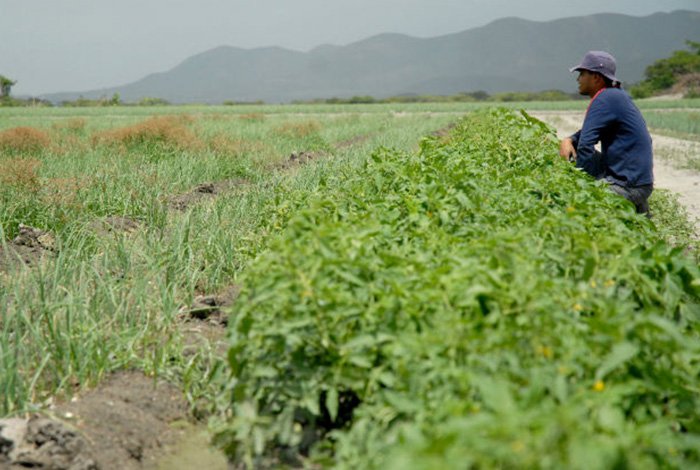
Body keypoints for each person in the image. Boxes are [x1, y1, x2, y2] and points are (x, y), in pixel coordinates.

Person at [559, 51, 654, 215]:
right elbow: (585, 135)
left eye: (582, 74)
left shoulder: (604, 98)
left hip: (627, 185)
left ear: (596, 77)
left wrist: (579, 185)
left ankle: (629, 203)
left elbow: (585, 146)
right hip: (639, 182)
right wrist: (568, 139)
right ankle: (638, 209)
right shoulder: (615, 95)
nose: (578, 79)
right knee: (574, 151)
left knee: (573, 201)